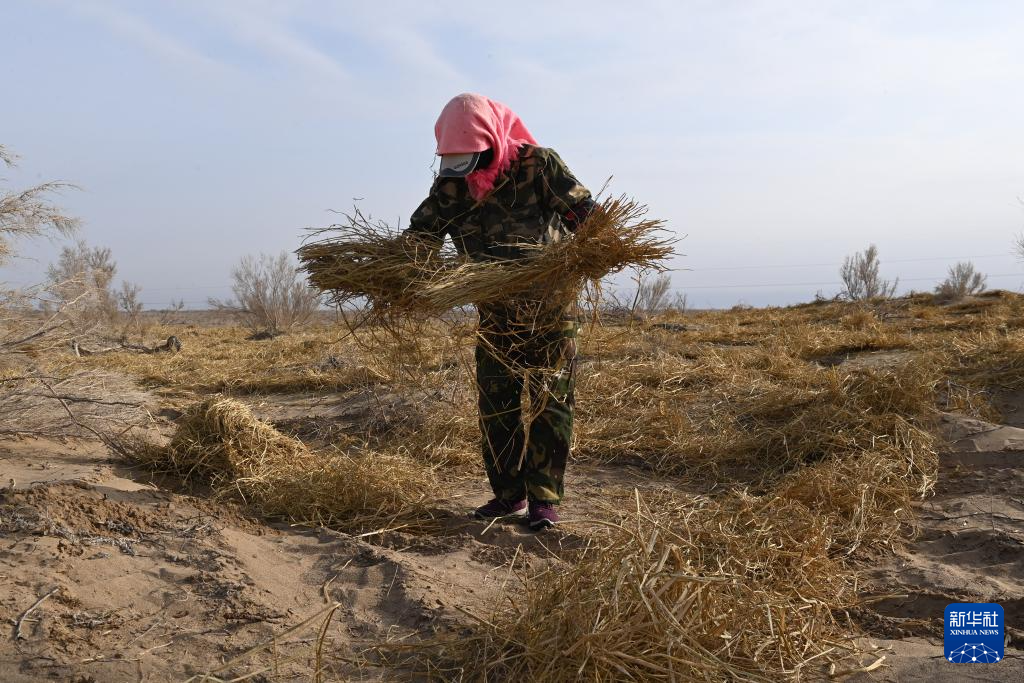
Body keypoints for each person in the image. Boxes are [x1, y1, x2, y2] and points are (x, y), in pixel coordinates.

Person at [405, 93, 596, 531]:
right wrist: (398, 273)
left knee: (550, 401)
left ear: (492, 138)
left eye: (474, 156)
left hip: (551, 310)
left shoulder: (539, 165)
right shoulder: (452, 185)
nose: (466, 168)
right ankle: (509, 495)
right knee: (496, 404)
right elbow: (420, 239)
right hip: (496, 316)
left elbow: (586, 216)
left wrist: (592, 251)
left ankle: (544, 500)